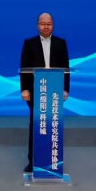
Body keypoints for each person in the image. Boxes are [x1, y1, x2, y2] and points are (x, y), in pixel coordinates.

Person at [20, 13, 70, 173]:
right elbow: (24, 67)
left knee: (53, 125)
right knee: (37, 125)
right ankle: (33, 161)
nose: (46, 26)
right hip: (36, 90)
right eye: (43, 23)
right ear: (37, 25)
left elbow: (66, 68)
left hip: (55, 90)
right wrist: (25, 89)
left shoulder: (61, 43)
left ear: (53, 25)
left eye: (49, 24)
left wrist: (65, 89)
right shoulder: (29, 43)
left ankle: (53, 161)